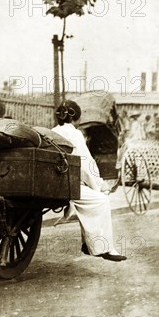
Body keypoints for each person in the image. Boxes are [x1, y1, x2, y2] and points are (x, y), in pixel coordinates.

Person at [52, 100, 127, 262]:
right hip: (68, 185)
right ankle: (105, 248)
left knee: (89, 200)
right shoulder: (75, 134)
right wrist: (98, 185)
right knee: (101, 200)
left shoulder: (51, 131)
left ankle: (88, 243)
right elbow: (86, 165)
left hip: (53, 182)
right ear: (76, 118)